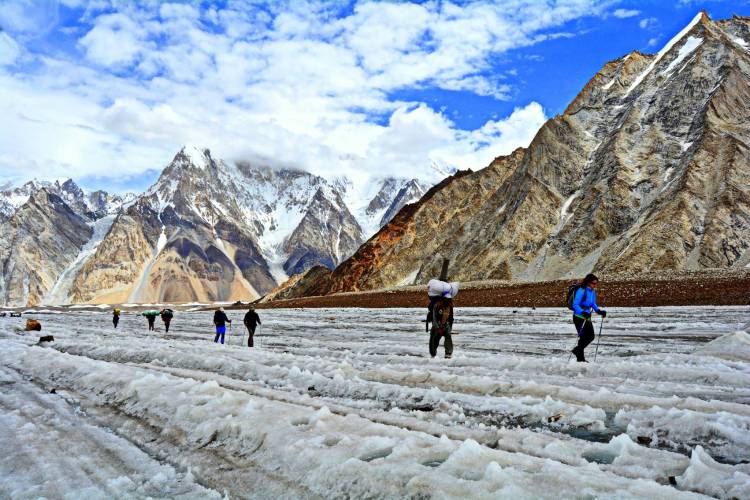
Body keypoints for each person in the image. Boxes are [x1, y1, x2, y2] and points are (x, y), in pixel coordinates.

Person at [571, 273, 607, 362]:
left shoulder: (592, 291)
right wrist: (582, 312)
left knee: (590, 336)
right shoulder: (581, 290)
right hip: (579, 317)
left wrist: (598, 311)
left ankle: (578, 351)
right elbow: (575, 304)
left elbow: (593, 303)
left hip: (587, 316)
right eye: (593, 283)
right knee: (584, 337)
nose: (595, 285)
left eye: (596, 283)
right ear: (588, 282)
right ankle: (580, 358)